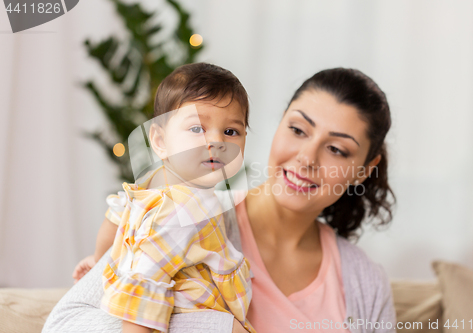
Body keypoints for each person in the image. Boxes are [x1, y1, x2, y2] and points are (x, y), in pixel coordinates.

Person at [43, 67, 397, 333]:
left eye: (336, 149)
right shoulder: (188, 215)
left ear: (365, 170)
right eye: (297, 129)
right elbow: (64, 324)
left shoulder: (363, 281)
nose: (307, 157)